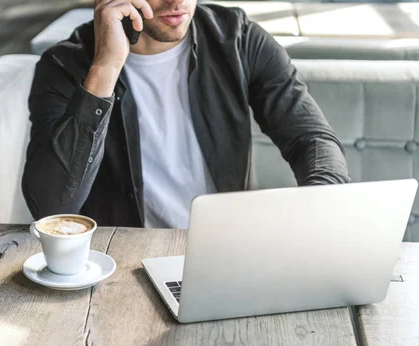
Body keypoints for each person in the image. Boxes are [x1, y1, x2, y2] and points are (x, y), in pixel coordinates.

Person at [22, 0, 350, 229]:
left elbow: (311, 140)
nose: (177, 1)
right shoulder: (65, 66)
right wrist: (105, 68)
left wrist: (319, 210)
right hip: (122, 264)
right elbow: (52, 208)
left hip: (231, 255)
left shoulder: (238, 39)